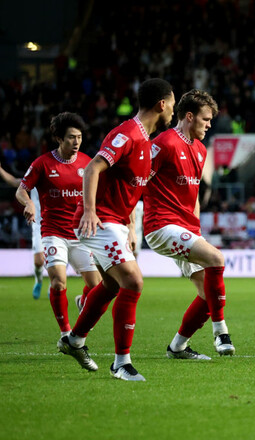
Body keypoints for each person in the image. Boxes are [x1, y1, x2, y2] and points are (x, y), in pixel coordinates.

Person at [57, 78, 175, 381]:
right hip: (99, 221)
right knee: (133, 282)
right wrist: (91, 211)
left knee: (110, 286)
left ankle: (74, 340)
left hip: (117, 223)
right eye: (173, 106)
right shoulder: (127, 134)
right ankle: (121, 362)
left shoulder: (145, 141)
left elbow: (128, 189)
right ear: (162, 104)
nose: (173, 113)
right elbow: (93, 168)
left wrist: (130, 225)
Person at [143, 89, 235, 360]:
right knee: (217, 258)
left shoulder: (200, 149)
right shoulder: (164, 143)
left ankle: (178, 347)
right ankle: (221, 332)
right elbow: (137, 181)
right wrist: (125, 223)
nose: (209, 125)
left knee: (209, 294)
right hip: (160, 225)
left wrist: (196, 231)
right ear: (189, 116)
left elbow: (192, 195)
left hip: (185, 228)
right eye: (206, 119)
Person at [16, 112, 102, 336]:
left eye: (79, 137)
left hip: (81, 234)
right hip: (53, 232)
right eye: (71, 137)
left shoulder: (87, 163)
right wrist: (29, 204)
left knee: (98, 287)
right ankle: (66, 332)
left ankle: (83, 301)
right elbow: (21, 190)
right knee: (58, 282)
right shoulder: (42, 164)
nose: (76, 142)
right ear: (59, 139)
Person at [0, 163, 43, 298]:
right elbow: (13, 181)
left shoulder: (62, 180)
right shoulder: (34, 181)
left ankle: (54, 286)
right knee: (38, 261)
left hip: (60, 223)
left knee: (61, 259)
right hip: (39, 225)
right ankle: (39, 280)